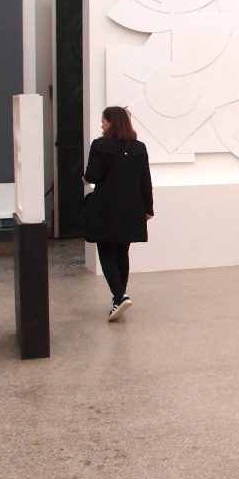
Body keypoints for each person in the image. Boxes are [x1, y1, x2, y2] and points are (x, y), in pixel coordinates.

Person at [84, 106, 154, 321]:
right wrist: (148, 208)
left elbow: (93, 176)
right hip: (132, 207)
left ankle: (120, 296)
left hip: (106, 206)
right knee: (122, 252)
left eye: (103, 121)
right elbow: (145, 180)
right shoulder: (139, 147)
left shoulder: (99, 145)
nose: (101, 124)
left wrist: (84, 176)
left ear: (111, 122)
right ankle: (118, 299)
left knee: (106, 253)